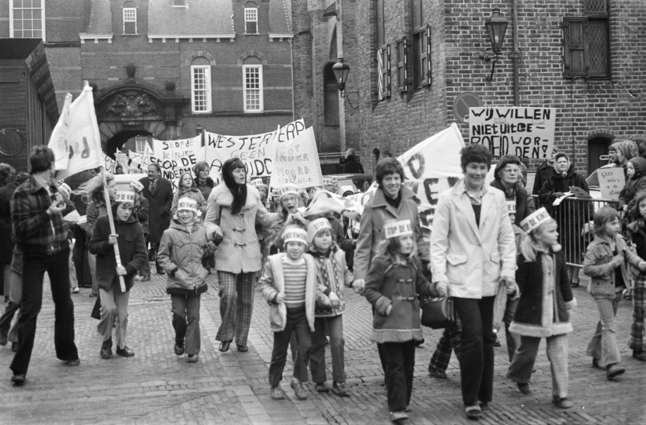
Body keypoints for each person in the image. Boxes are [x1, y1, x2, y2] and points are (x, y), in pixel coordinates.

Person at [430, 144, 517, 420]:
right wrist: (439, 277)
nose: (478, 172)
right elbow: (438, 241)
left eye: (482, 167)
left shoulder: (497, 197)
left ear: (488, 169)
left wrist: (509, 270)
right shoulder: (448, 198)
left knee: (488, 337)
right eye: (473, 167)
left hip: (490, 276)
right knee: (472, 335)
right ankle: (470, 399)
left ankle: (484, 393)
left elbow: (506, 237)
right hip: (461, 277)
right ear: (464, 168)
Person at [9, 146, 80, 385]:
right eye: (53, 166)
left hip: (59, 251)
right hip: (35, 255)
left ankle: (67, 351)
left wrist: (63, 208)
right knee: (31, 309)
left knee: (65, 303)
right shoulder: (22, 193)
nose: (55, 169)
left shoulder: (53, 188)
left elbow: (62, 214)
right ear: (48, 166)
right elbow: (19, 232)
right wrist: (48, 213)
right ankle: (19, 368)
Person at [353, 158, 428, 374]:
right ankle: (391, 373)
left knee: (407, 322)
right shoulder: (371, 209)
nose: (393, 183)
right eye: (388, 179)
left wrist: (427, 261)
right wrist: (360, 275)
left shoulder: (411, 205)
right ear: (381, 182)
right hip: (382, 276)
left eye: (396, 178)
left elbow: (418, 237)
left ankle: (403, 371)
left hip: (408, 273)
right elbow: (363, 245)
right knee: (386, 325)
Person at [364, 219, 439, 423]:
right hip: (389, 324)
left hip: (410, 323)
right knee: (395, 365)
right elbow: (369, 289)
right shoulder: (381, 262)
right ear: (393, 241)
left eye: (410, 238)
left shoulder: (414, 261)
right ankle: (396, 406)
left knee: (408, 365)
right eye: (404, 238)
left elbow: (421, 285)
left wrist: (435, 289)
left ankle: (402, 402)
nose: (408, 242)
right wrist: (382, 303)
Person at [205, 158, 277, 353]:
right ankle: (227, 334)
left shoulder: (253, 193)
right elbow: (209, 221)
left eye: (243, 170)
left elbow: (266, 219)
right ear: (228, 173)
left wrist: (283, 212)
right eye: (237, 170)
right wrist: (214, 232)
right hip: (226, 250)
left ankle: (242, 338)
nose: (241, 173)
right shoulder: (217, 194)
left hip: (250, 252)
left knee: (246, 299)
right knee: (228, 295)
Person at [506, 208, 576, 409]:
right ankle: (519, 375)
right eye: (551, 231)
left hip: (556, 313)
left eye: (556, 231)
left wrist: (569, 303)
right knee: (527, 353)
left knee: (559, 354)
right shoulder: (525, 258)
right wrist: (512, 288)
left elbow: (564, 281)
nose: (556, 234)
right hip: (532, 314)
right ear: (537, 235)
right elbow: (519, 285)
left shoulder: (558, 253)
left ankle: (560, 394)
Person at [292, 218, 354, 397]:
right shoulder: (308, 259)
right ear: (312, 239)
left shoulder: (339, 254)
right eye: (320, 236)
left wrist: (352, 281)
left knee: (337, 341)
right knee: (317, 343)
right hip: (316, 309)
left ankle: (339, 380)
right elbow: (312, 283)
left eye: (327, 234)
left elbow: (345, 272)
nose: (325, 239)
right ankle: (319, 379)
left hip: (336, 308)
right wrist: (324, 296)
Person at [583, 206, 646, 379]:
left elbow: (629, 256)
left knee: (604, 324)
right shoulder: (594, 247)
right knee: (609, 326)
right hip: (602, 291)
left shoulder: (619, 240)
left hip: (618, 289)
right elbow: (587, 269)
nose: (617, 226)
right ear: (601, 226)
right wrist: (610, 265)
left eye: (618, 222)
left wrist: (640, 263)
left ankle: (595, 355)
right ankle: (612, 363)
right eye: (613, 223)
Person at [259, 227, 317, 401]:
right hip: (283, 313)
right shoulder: (275, 262)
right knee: (280, 351)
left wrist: (328, 295)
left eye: (299, 244)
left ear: (305, 247)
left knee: (305, 347)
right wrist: (275, 295)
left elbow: (315, 285)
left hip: (302, 313)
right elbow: (264, 284)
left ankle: (297, 380)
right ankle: (274, 384)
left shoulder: (309, 263)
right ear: (285, 245)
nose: (295, 248)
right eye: (291, 244)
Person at [158, 198, 217, 364]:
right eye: (182, 211)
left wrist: (212, 248)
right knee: (178, 315)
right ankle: (179, 339)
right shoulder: (169, 233)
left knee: (194, 316)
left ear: (194, 214)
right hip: (177, 281)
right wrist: (174, 271)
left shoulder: (202, 232)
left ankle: (192, 350)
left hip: (196, 281)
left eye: (188, 211)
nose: (185, 214)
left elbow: (204, 254)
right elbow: (162, 256)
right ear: (177, 213)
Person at [89, 190, 147, 359]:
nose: (127, 212)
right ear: (115, 207)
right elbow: (92, 247)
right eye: (123, 208)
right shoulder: (102, 222)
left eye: (130, 209)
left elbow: (141, 255)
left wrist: (128, 269)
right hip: (106, 277)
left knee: (122, 315)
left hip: (124, 279)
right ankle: (106, 341)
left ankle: (121, 346)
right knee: (108, 309)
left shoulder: (136, 227)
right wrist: (107, 243)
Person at [539, 152, 592, 285]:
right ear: (556, 164)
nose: (562, 164)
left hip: (575, 218)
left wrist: (588, 216)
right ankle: (567, 274)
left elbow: (587, 197)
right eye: (560, 162)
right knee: (563, 247)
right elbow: (541, 194)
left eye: (564, 162)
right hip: (560, 218)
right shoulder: (551, 180)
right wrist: (552, 195)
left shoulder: (578, 178)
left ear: (568, 163)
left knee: (575, 247)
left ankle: (575, 276)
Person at [78, 173, 118, 297]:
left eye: (115, 186)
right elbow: (90, 227)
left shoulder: (117, 204)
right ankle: (97, 294)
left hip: (114, 246)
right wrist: (102, 238)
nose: (116, 188)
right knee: (97, 273)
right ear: (103, 190)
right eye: (112, 186)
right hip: (97, 246)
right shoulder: (93, 206)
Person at [140, 163, 174, 275]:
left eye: (152, 171)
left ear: (158, 172)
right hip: (145, 218)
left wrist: (165, 209)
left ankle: (160, 267)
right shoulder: (142, 182)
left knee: (160, 244)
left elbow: (170, 198)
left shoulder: (166, 183)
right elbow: (136, 196)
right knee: (143, 244)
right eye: (148, 171)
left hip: (160, 218)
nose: (149, 173)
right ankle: (145, 271)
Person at [625, 190, 646, 362]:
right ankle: (637, 346)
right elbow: (629, 251)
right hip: (640, 272)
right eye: (643, 205)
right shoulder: (633, 228)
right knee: (640, 311)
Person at [491, 155, 535, 227]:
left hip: (517, 236)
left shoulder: (522, 193)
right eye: (508, 170)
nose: (512, 173)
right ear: (499, 173)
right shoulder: (490, 192)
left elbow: (527, 219)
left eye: (515, 170)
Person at [130, 180, 151, 281]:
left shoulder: (144, 201)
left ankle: (146, 273)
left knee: (143, 251)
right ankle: (136, 272)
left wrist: (135, 210)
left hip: (142, 229)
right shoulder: (131, 201)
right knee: (135, 252)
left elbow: (144, 216)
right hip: (134, 229)